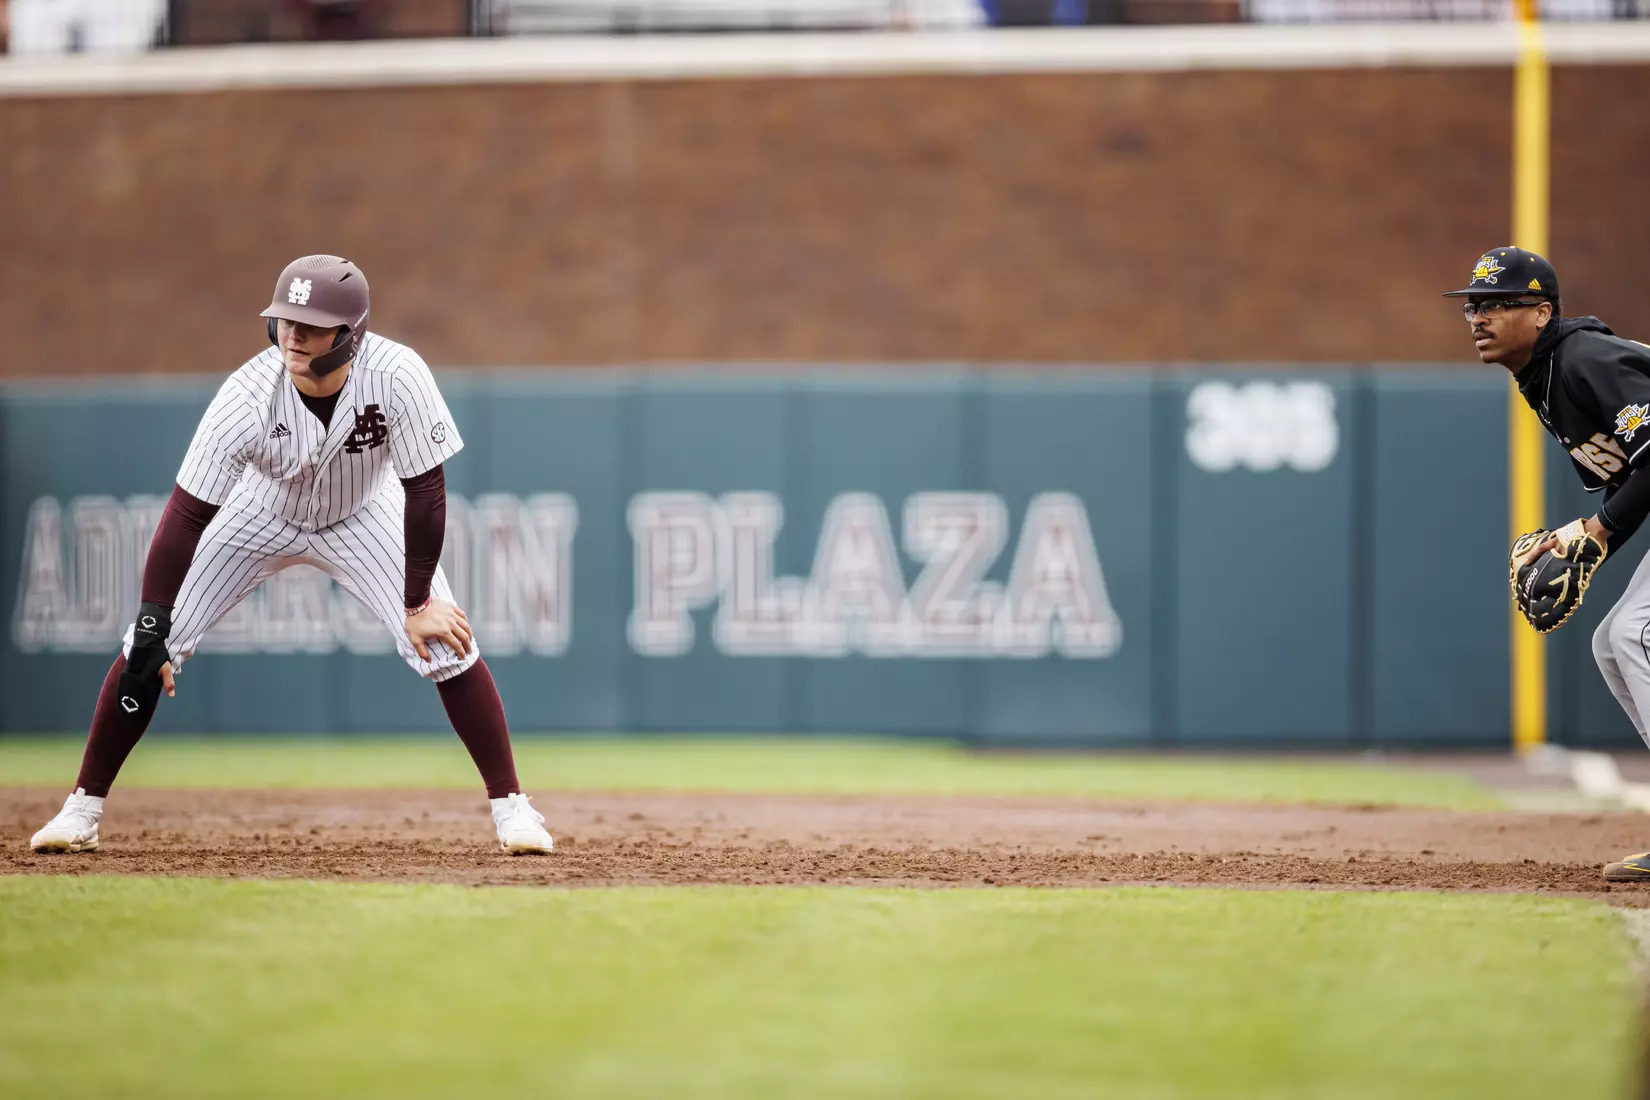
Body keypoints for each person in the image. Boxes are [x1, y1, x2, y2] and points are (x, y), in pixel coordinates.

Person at [29, 255, 554, 856]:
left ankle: (513, 810)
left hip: (361, 513)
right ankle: (82, 809)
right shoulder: (247, 394)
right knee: (145, 647)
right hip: (258, 513)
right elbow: (186, 515)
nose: (293, 334)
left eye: (311, 324)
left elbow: (426, 493)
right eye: (284, 319)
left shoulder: (399, 374)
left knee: (445, 639)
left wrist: (417, 602)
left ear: (349, 335)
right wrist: (154, 620)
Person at [1447, 246, 1650, 882]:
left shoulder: (1586, 359)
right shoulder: (1544, 375)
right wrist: (1579, 543)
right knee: (1614, 646)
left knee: (1630, 634)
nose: (1478, 318)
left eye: (1495, 305)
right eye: (1473, 307)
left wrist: (1594, 532)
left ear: (1540, 313)